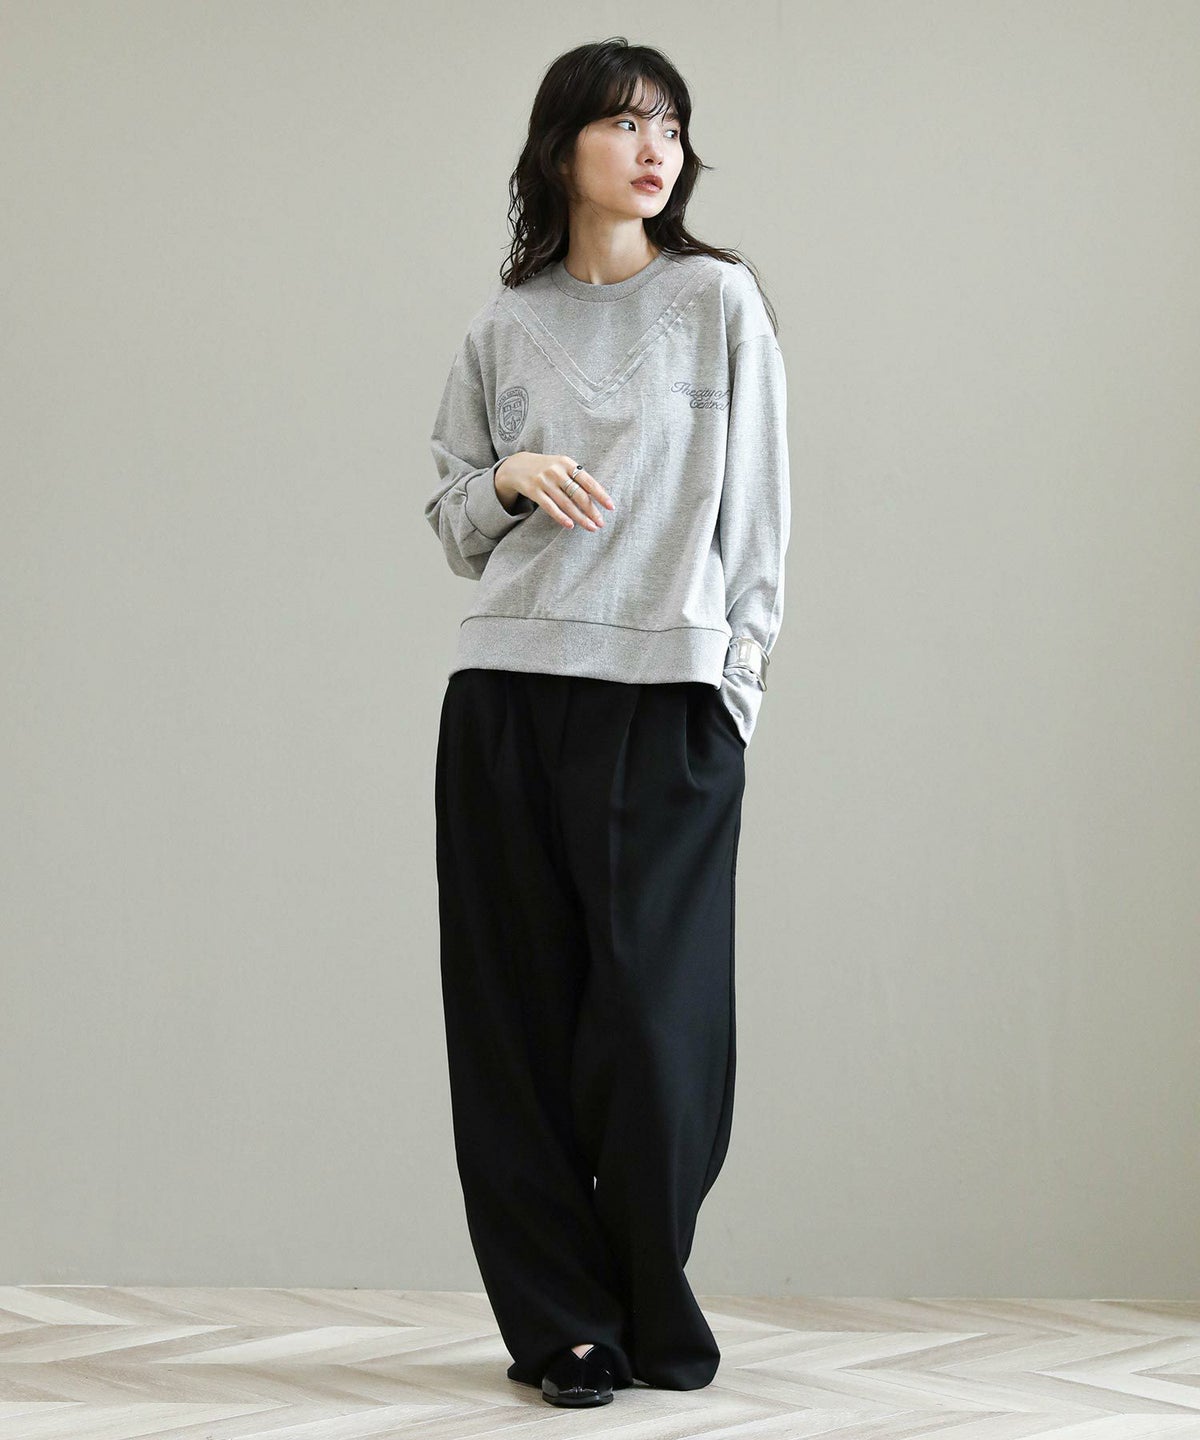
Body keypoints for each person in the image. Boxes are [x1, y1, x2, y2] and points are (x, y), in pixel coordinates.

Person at [425, 36, 790, 1409]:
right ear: (560, 145)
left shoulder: (718, 301)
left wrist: (736, 686)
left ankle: (643, 1291)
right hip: (509, 692)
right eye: (627, 123)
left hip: (669, 698)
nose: (655, 149)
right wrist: (509, 475)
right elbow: (454, 523)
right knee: (514, 1028)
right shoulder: (502, 324)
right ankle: (562, 1327)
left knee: (655, 1029)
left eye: (671, 127)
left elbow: (758, 512)